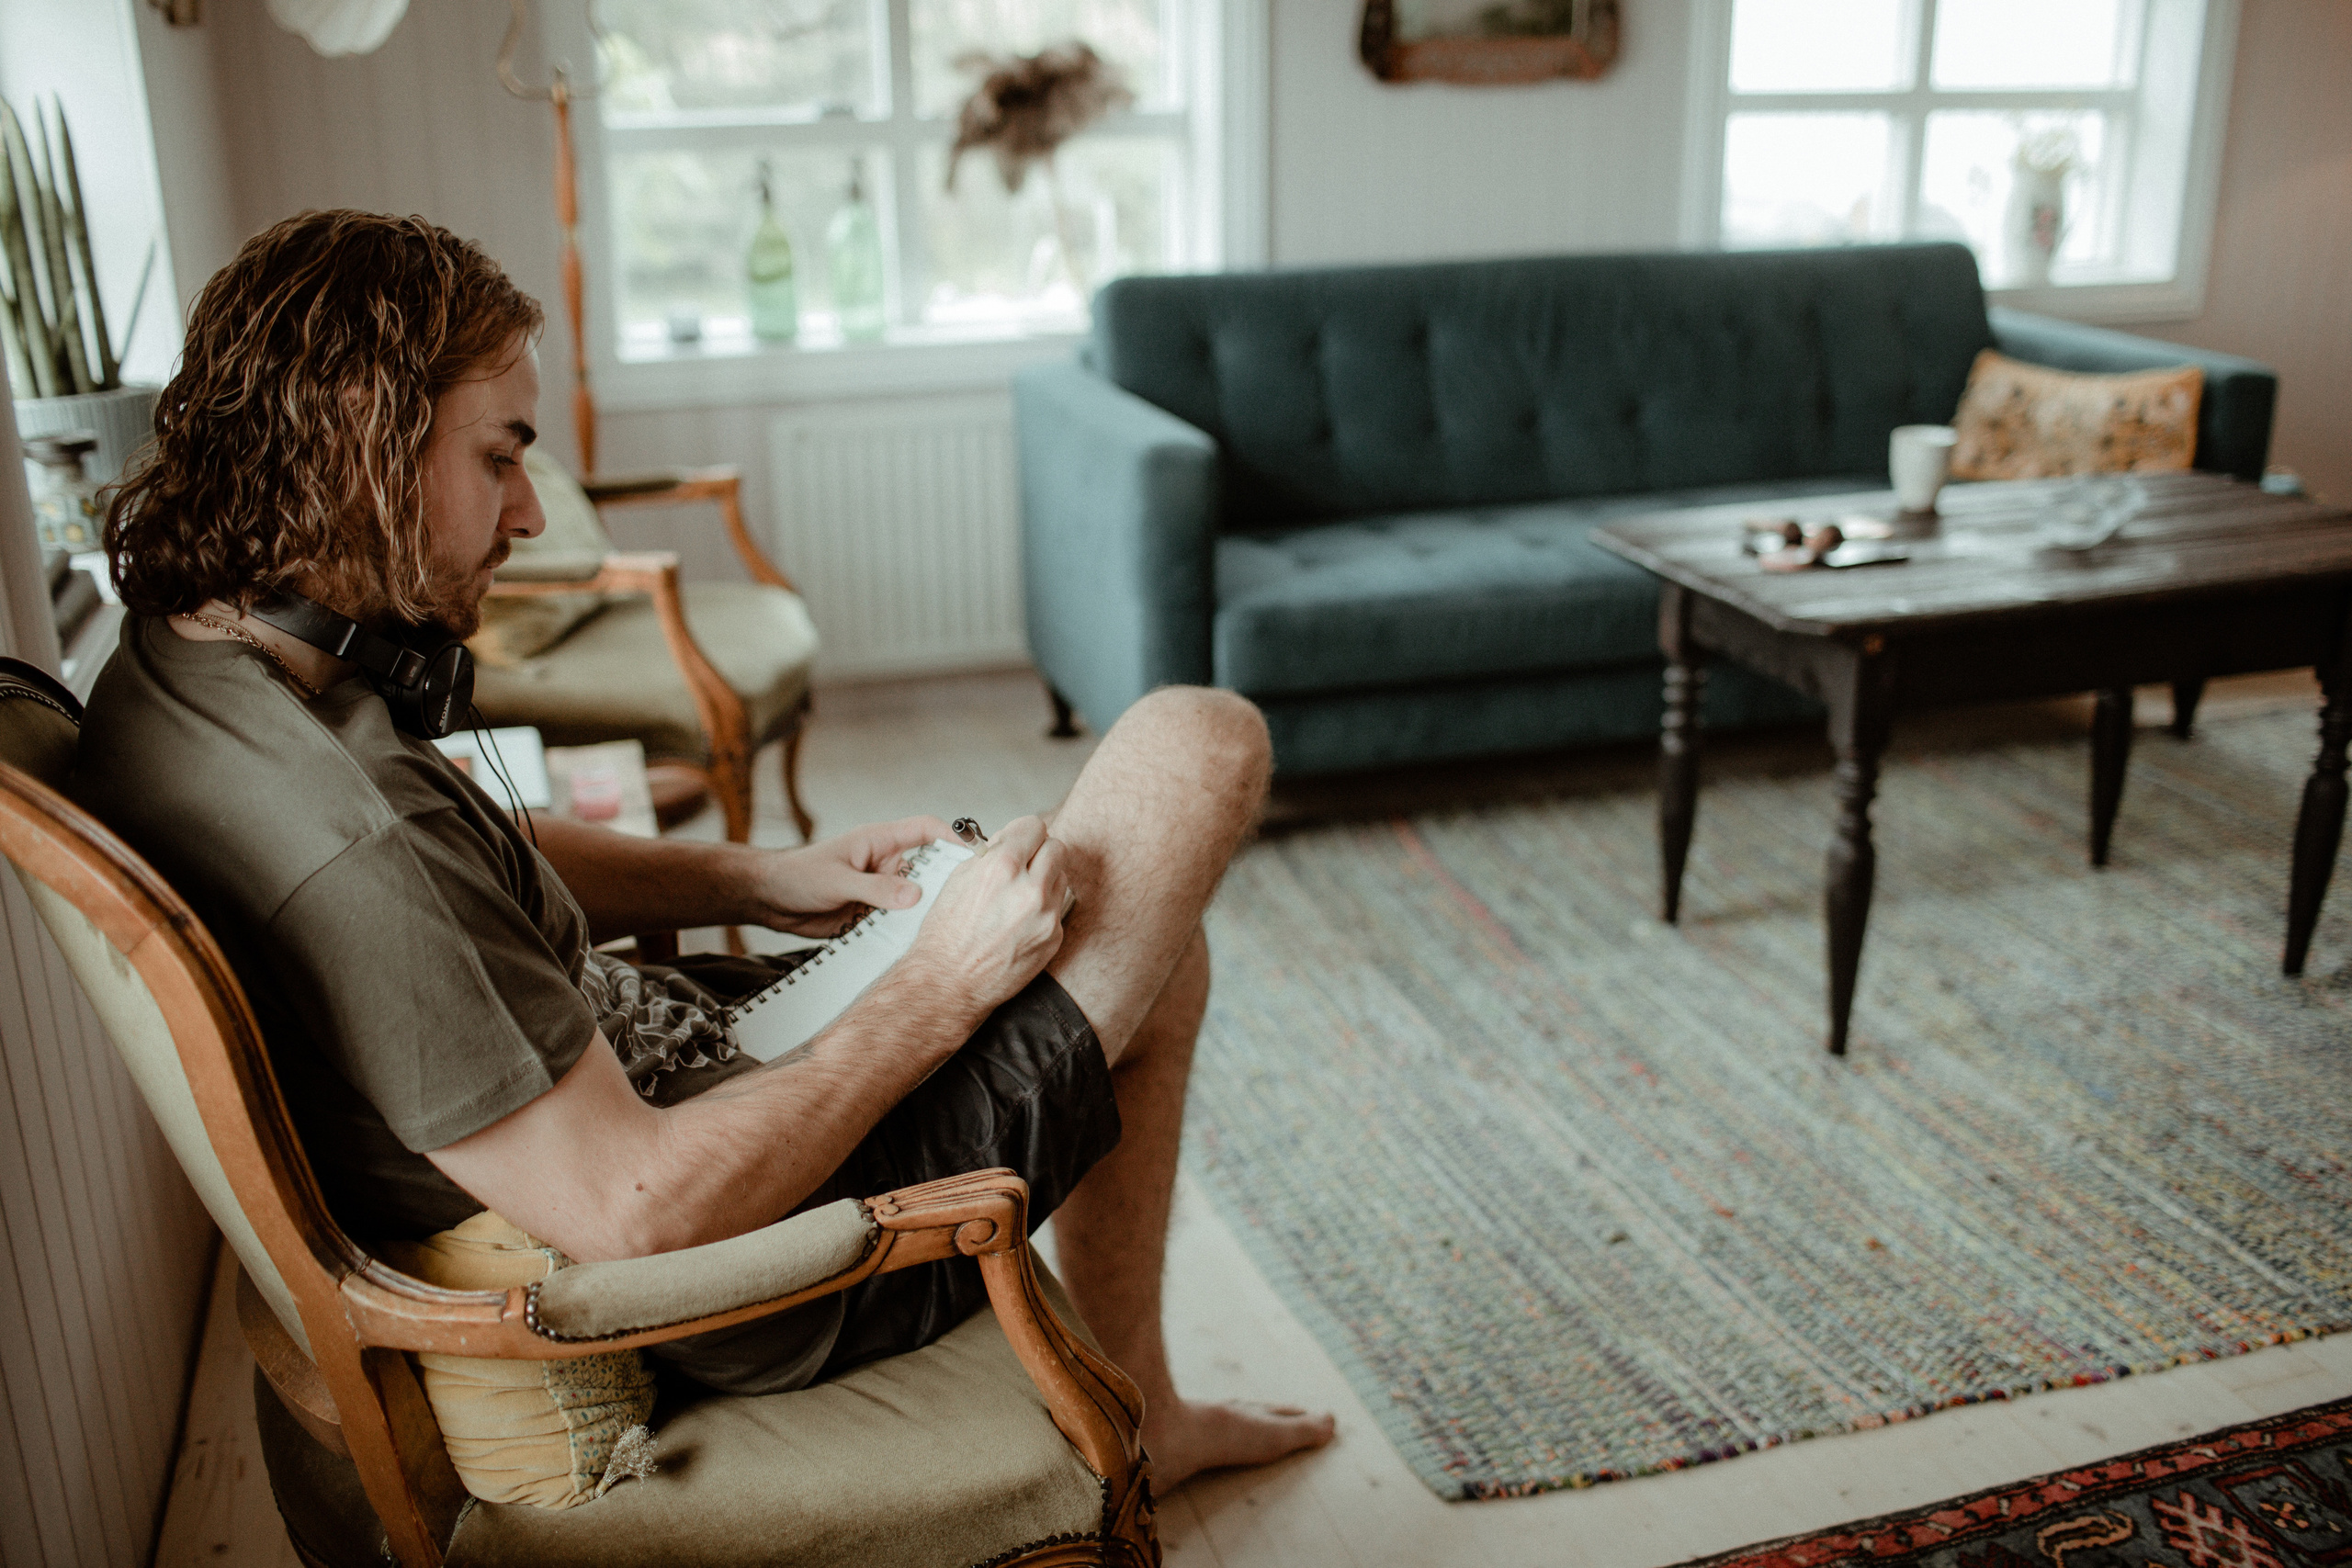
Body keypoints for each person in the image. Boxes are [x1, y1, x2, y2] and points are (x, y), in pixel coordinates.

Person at [72, 209, 1331, 1491]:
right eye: (499, 458)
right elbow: (638, 1214)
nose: (522, 514)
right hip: (760, 1261)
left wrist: (756, 878)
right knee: (1199, 743)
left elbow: (466, 860)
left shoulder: (198, 661)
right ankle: (1145, 1419)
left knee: (1148, 948)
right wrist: (939, 981)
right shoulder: (347, 840)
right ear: (358, 442)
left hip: (674, 1070)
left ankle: (1146, 1414)